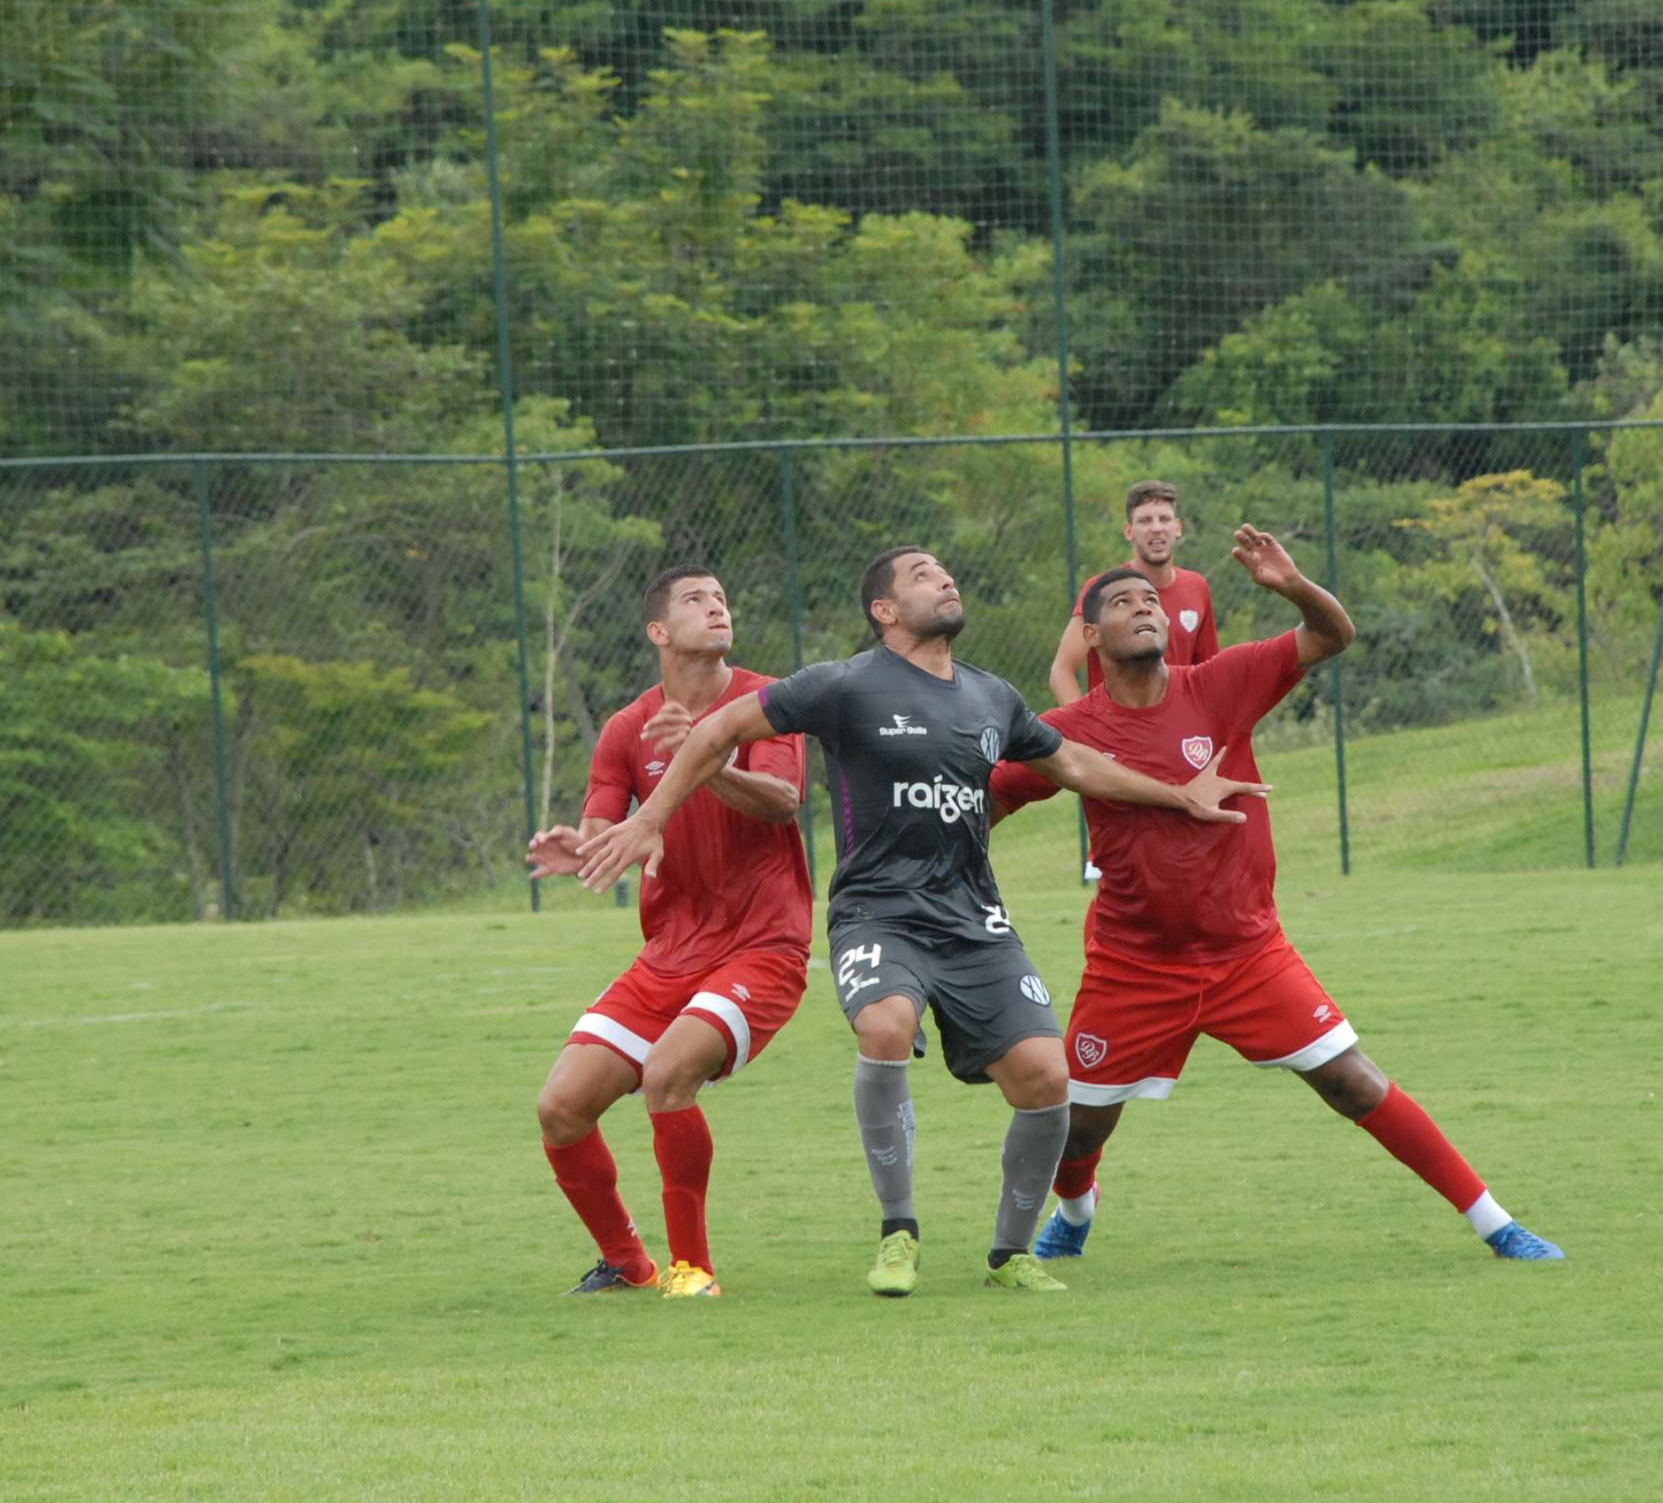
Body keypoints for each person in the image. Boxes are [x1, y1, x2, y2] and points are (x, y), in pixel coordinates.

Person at [575, 546, 1267, 1297]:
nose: (946, 581)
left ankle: (1011, 1254)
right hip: (878, 912)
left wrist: (1179, 794)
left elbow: (1075, 765)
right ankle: (898, 1233)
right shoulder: (843, 684)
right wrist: (655, 819)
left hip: (975, 918)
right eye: (924, 576)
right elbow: (714, 734)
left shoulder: (991, 696)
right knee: (885, 1025)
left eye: (946, 573)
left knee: (1046, 1077)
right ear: (886, 611)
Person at [989, 529, 1563, 1265]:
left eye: (1151, 601)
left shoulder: (1223, 682)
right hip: (1134, 964)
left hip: (1248, 952)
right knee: (1080, 1127)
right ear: (1091, 635)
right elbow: (988, 803)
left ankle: (1496, 1224)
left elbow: (1332, 634)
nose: (1145, 608)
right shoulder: (1067, 734)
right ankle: (1076, 1211)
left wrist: (1292, 584)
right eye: (1124, 602)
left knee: (1353, 1082)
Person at [525, 566, 811, 1299]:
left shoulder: (766, 699)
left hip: (763, 943)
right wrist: (582, 849)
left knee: (668, 1073)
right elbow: (604, 825)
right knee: (560, 1108)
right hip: (670, 953)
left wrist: (705, 753)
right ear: (659, 632)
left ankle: (693, 1270)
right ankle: (627, 1262)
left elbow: (782, 802)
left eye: (722, 597)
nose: (718, 608)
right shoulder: (627, 727)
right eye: (696, 601)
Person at [1047, 480, 1220, 708]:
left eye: (1164, 519)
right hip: (1117, 734)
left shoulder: (1197, 586)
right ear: (1129, 531)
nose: (1156, 528)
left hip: (1177, 733)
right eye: (1145, 520)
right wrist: (1085, 728)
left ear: (1177, 528)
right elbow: (1062, 670)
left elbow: (1209, 674)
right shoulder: (1102, 589)